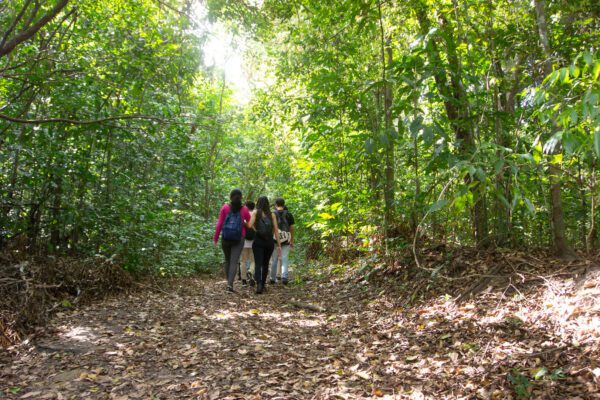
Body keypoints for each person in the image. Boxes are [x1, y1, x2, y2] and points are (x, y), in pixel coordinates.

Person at [213, 189, 251, 293]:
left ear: (230, 197)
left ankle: (228, 281)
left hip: (226, 238)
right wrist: (245, 224)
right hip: (239, 238)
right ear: (241, 197)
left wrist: (215, 238)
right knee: (234, 261)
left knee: (227, 260)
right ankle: (230, 285)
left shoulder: (225, 207)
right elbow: (250, 223)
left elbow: (220, 224)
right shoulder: (244, 209)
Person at [248, 196, 281, 294]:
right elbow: (275, 230)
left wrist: (256, 230)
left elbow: (249, 225)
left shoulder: (255, 212)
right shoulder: (272, 214)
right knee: (265, 264)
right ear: (267, 203)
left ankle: (258, 285)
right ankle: (263, 284)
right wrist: (279, 244)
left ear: (258, 202)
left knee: (258, 263)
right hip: (269, 242)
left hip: (258, 241)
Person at [269, 199, 295, 285]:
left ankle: (272, 278)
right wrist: (291, 240)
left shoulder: (272, 214)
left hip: (274, 239)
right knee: (284, 258)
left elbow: (271, 228)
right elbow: (292, 228)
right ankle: (284, 277)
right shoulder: (289, 214)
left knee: (274, 259)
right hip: (286, 239)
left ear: (275, 205)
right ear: (284, 204)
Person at [239, 200, 256, 286]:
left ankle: (244, 281)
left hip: (244, 241)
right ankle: (250, 272)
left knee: (243, 261)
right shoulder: (255, 214)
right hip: (254, 241)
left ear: (246, 206)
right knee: (253, 260)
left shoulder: (243, 214)